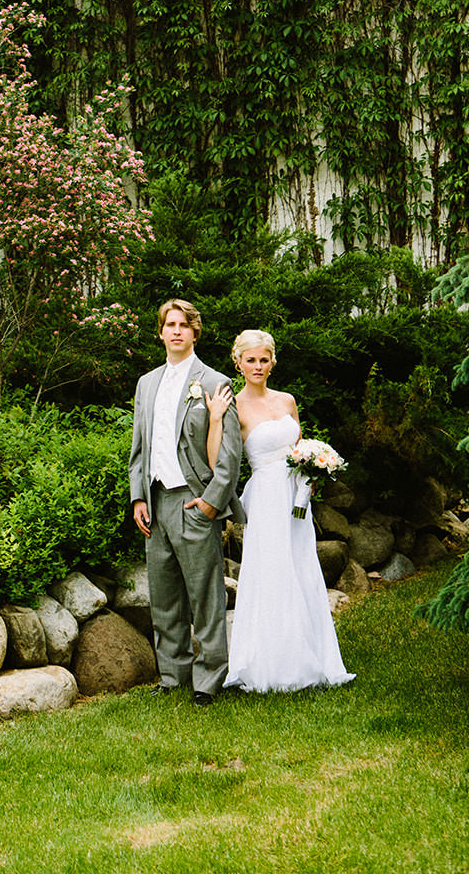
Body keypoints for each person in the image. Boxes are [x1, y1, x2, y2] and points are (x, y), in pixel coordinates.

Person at [207, 328, 354, 694]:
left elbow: (298, 446)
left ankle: (313, 659)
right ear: (238, 362)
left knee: (301, 567)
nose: (258, 366)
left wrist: (315, 470)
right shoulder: (235, 407)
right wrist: (214, 418)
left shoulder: (287, 400)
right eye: (250, 359)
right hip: (267, 497)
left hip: (296, 497)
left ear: (273, 361)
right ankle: (272, 665)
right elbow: (216, 461)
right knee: (273, 572)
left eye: (264, 359)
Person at [129, 299, 243, 705]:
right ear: (160, 332)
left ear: (195, 332)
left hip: (194, 503)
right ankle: (172, 676)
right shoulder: (146, 383)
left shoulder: (214, 382)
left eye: (184, 325)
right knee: (164, 598)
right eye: (169, 324)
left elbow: (230, 454)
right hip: (156, 504)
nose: (176, 331)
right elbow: (139, 447)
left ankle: (208, 679)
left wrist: (212, 503)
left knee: (205, 596)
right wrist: (139, 496)